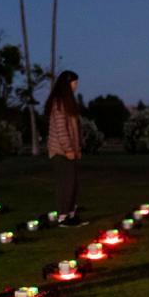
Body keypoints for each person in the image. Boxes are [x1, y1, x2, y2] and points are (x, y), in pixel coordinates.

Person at [45, 70, 87, 227]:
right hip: (60, 152)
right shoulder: (59, 103)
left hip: (71, 151)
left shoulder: (68, 101)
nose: (76, 86)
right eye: (74, 83)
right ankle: (63, 217)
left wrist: (77, 148)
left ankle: (71, 214)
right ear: (67, 84)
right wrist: (68, 149)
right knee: (66, 184)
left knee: (74, 184)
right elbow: (61, 130)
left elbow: (75, 128)